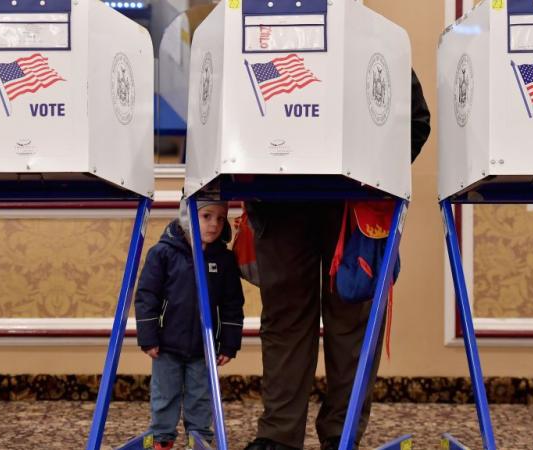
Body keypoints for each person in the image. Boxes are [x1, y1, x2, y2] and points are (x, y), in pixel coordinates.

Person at [243, 70, 431, 450]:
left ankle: (341, 437)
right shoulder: (262, 40)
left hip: (350, 202)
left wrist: (376, 178)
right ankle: (279, 436)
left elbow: (414, 120)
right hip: (279, 197)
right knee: (286, 320)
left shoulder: (369, 38)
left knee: (352, 322)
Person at [134, 200, 245, 450]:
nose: (214, 225)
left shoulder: (224, 260)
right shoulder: (163, 253)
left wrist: (229, 343)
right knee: (165, 395)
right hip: (166, 345)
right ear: (187, 216)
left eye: (220, 218)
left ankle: (199, 438)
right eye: (206, 216)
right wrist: (148, 337)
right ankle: (161, 438)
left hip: (204, 348)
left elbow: (232, 304)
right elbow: (146, 296)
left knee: (200, 397)